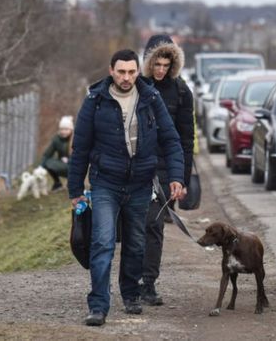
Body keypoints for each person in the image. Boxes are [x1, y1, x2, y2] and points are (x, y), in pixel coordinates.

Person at [68, 49, 186, 327]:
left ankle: (131, 294)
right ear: (111, 71)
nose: (126, 77)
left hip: (140, 184)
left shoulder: (150, 98)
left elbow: (171, 139)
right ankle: (98, 305)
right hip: (105, 183)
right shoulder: (95, 101)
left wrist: (176, 176)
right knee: (102, 243)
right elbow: (80, 148)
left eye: (132, 72)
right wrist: (75, 190)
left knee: (135, 243)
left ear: (137, 71)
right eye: (121, 72)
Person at [140, 34, 194, 306]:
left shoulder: (182, 92)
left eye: (166, 64)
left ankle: (147, 283)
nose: (160, 69)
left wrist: (180, 180)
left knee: (153, 224)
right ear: (148, 62)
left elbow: (186, 139)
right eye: (156, 64)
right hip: (135, 166)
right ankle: (132, 279)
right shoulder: (135, 87)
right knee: (132, 225)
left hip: (164, 168)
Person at [40, 116, 74, 191]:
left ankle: (72, 182)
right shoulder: (57, 139)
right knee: (47, 162)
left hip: (74, 165)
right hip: (62, 164)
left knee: (76, 166)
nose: (63, 131)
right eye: (62, 129)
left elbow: (81, 155)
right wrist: (40, 167)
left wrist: (69, 160)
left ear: (71, 129)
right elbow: (47, 154)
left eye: (66, 129)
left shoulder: (75, 139)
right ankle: (57, 183)